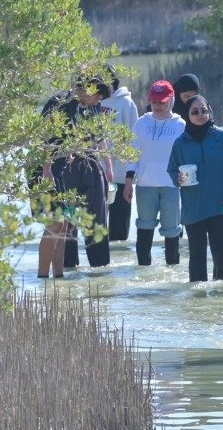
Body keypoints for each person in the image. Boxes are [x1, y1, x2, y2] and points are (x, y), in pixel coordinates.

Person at [36, 75, 114, 278]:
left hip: (66, 167)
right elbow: (44, 138)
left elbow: (91, 137)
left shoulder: (82, 105)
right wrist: (46, 169)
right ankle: (44, 277)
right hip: (51, 170)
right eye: (97, 97)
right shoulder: (59, 103)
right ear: (88, 88)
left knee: (65, 223)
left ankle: (59, 276)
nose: (97, 102)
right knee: (56, 222)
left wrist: (107, 164)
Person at [168, 96, 223, 282]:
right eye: (195, 112)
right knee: (197, 256)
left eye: (204, 110)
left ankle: (221, 298)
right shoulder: (180, 143)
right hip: (193, 208)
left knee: (221, 254)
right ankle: (198, 303)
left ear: (209, 111)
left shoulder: (222, 137)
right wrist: (177, 179)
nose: (200, 115)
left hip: (221, 204)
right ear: (187, 115)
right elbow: (171, 170)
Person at [124, 80, 186, 266]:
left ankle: (172, 273)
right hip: (145, 185)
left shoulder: (180, 124)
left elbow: (185, 155)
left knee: (172, 231)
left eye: (162, 101)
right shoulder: (141, 123)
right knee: (144, 228)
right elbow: (132, 154)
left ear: (171, 101)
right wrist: (128, 182)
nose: (158, 105)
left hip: (171, 186)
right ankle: (143, 272)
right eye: (155, 101)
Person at [100, 65, 139, 243]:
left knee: (119, 223)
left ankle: (120, 260)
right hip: (98, 171)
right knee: (98, 223)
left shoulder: (126, 103)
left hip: (121, 173)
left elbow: (134, 137)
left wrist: (132, 171)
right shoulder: (95, 102)